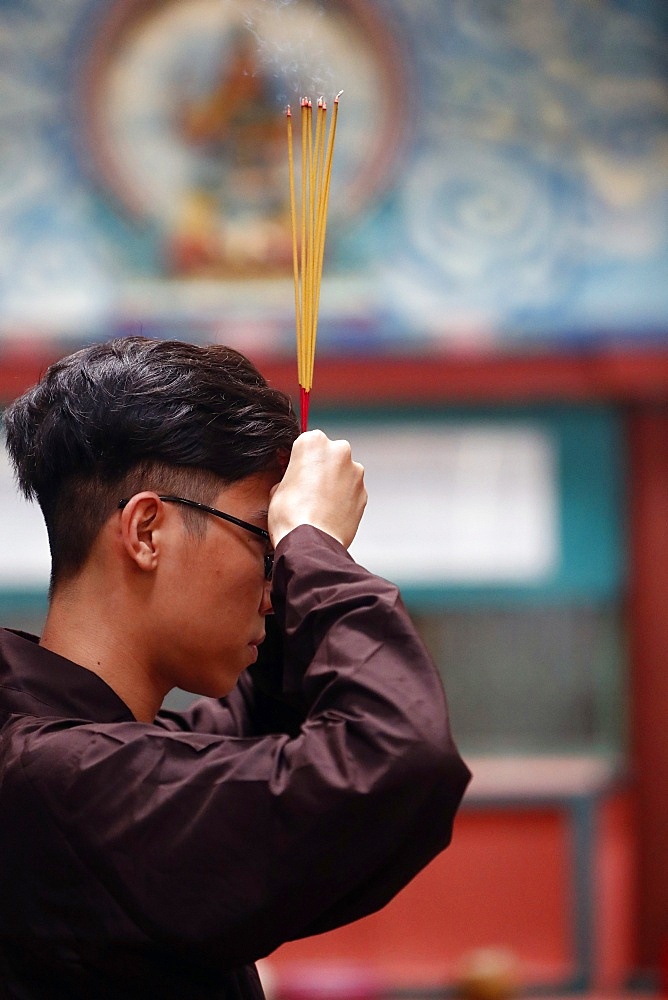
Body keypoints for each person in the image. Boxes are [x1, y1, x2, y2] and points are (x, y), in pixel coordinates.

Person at [0, 336, 470, 1000]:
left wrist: (293, 543)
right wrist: (314, 543)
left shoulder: (65, 742)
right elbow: (395, 758)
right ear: (145, 533)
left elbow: (267, 725)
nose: (275, 581)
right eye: (262, 538)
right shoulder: (56, 782)